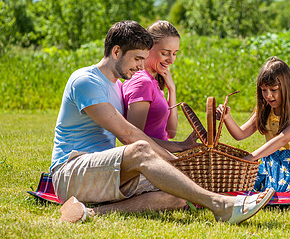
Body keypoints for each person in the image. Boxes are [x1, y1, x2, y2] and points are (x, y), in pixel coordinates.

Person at [50, 20, 274, 224]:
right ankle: (222, 205)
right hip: (70, 171)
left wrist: (176, 164)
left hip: (103, 172)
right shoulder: (85, 81)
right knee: (140, 150)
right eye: (137, 58)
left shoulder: (117, 86)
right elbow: (127, 134)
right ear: (116, 51)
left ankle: (88, 213)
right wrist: (173, 160)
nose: (141, 66)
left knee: (178, 193)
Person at [217, 57, 290, 192]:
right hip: (269, 163)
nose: (268, 95)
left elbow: (282, 139)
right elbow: (240, 134)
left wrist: (251, 157)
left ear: (289, 87)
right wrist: (227, 117)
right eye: (264, 90)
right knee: (238, 184)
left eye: (273, 90)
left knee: (281, 189)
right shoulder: (264, 111)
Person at [122, 20, 180, 141]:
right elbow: (136, 141)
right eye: (165, 53)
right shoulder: (143, 83)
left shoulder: (153, 81)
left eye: (174, 54)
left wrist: (172, 90)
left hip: (163, 153)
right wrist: (179, 146)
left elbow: (171, 132)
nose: (171, 60)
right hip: (153, 157)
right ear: (148, 48)